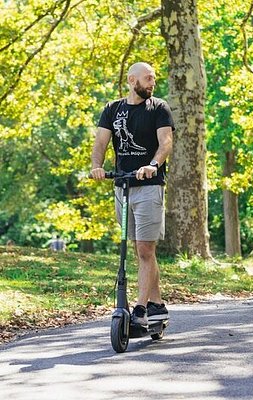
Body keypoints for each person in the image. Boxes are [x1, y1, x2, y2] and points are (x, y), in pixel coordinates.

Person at [90, 62, 174, 326]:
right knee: (139, 251)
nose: (152, 83)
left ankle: (139, 308)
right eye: (148, 78)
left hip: (149, 186)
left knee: (145, 248)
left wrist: (152, 165)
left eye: (154, 79)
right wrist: (96, 167)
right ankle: (157, 303)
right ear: (131, 80)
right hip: (122, 187)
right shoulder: (112, 110)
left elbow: (166, 142)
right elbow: (101, 142)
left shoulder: (159, 108)